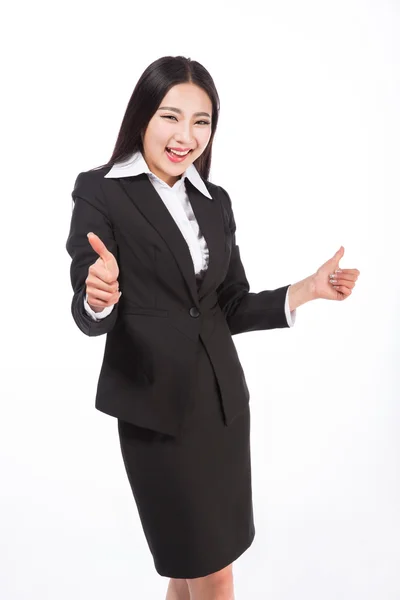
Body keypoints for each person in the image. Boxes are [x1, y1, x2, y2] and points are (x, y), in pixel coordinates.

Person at [65, 55, 360, 600]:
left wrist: (307, 290)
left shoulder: (214, 201)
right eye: (170, 117)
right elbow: (88, 304)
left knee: (192, 568)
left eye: (201, 121)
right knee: (213, 572)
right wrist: (97, 294)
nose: (186, 136)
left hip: (222, 409)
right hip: (156, 413)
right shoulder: (101, 191)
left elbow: (229, 304)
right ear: (142, 118)